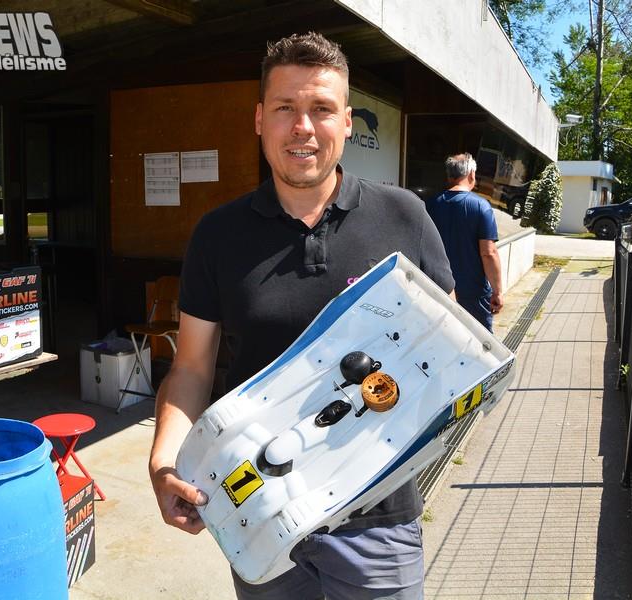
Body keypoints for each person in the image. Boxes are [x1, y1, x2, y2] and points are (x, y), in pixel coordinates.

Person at [148, 32, 454, 600]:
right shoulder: (217, 236)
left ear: (346, 121)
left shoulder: (404, 217)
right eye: (286, 108)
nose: (303, 127)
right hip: (261, 513)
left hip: (377, 520)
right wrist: (165, 460)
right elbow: (191, 367)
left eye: (321, 109)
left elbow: (448, 351)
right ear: (260, 119)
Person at [425, 154, 503, 331]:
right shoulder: (480, 206)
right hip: (473, 294)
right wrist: (497, 292)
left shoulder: (431, 205)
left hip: (439, 290)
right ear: (471, 174)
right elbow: (488, 253)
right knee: (479, 346)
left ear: (449, 176)